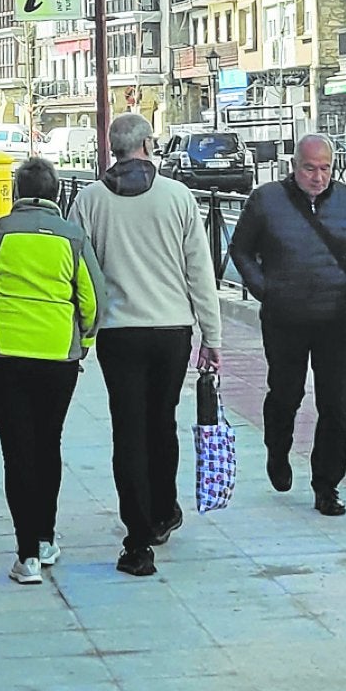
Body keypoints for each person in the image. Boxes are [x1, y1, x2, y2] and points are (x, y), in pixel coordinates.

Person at [69, 114, 222, 577]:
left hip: (118, 333)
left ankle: (136, 541)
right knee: (162, 422)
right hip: (171, 330)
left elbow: (79, 271)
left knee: (128, 430)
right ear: (148, 145)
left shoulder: (90, 200)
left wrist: (80, 332)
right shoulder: (177, 197)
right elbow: (201, 271)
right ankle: (163, 510)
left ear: (112, 148)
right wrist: (211, 337)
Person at [0, 157, 101, 585]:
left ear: (16, 191)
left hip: (3, 353)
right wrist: (81, 345)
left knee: (17, 448)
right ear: (55, 193)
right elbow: (92, 303)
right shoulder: (73, 237)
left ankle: (26, 555)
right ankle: (47, 538)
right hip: (57, 355)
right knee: (49, 443)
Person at [229, 132, 346, 517]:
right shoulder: (266, 200)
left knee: (336, 403)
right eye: (310, 168)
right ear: (294, 167)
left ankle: (327, 485)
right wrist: (263, 288)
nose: (318, 176)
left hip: (335, 317)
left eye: (325, 168)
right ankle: (277, 449)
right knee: (285, 393)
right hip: (285, 316)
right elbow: (240, 248)